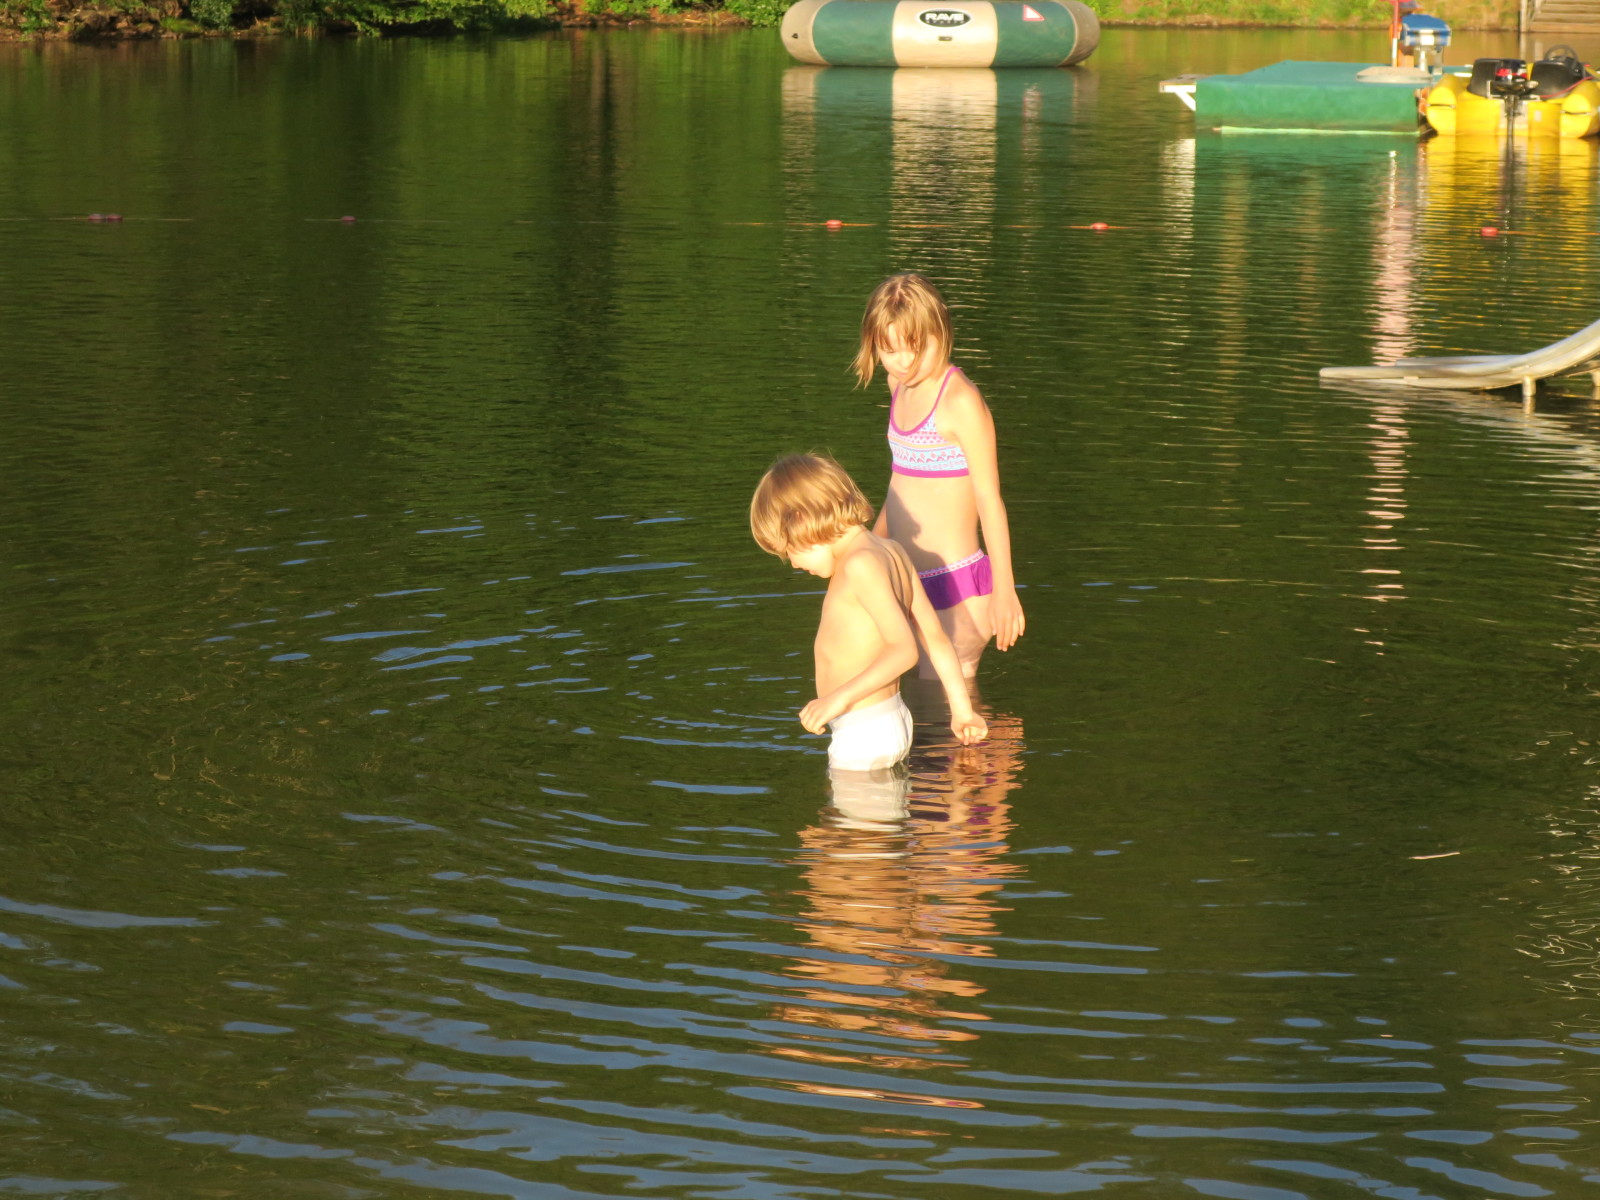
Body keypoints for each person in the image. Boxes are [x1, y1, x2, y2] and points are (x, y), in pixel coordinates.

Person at [750, 454, 987, 772]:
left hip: (865, 730)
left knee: (853, 806)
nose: (793, 563)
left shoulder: (859, 564)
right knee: (869, 805)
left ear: (801, 519)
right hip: (883, 722)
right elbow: (935, 637)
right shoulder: (892, 551)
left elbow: (904, 650)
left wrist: (837, 699)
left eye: (788, 549)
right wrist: (962, 710)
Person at [854, 272, 1024, 678]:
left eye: (916, 348)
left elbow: (989, 500)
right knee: (914, 698)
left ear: (941, 332)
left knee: (944, 704)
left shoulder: (960, 401)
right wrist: (870, 546)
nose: (904, 362)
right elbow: (901, 484)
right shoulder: (899, 386)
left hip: (956, 586)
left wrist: (1006, 590)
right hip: (908, 578)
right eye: (889, 350)